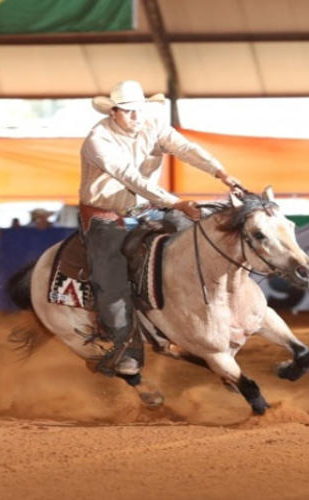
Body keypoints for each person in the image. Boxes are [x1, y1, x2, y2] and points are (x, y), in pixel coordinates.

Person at [80, 80, 242, 376]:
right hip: (106, 214)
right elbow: (130, 178)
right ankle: (126, 347)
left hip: (148, 207)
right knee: (111, 278)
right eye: (128, 112)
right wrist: (177, 203)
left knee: (194, 239)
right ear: (113, 112)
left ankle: (212, 312)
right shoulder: (98, 139)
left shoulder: (153, 125)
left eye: (138, 110)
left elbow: (186, 148)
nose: (135, 117)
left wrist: (220, 172)